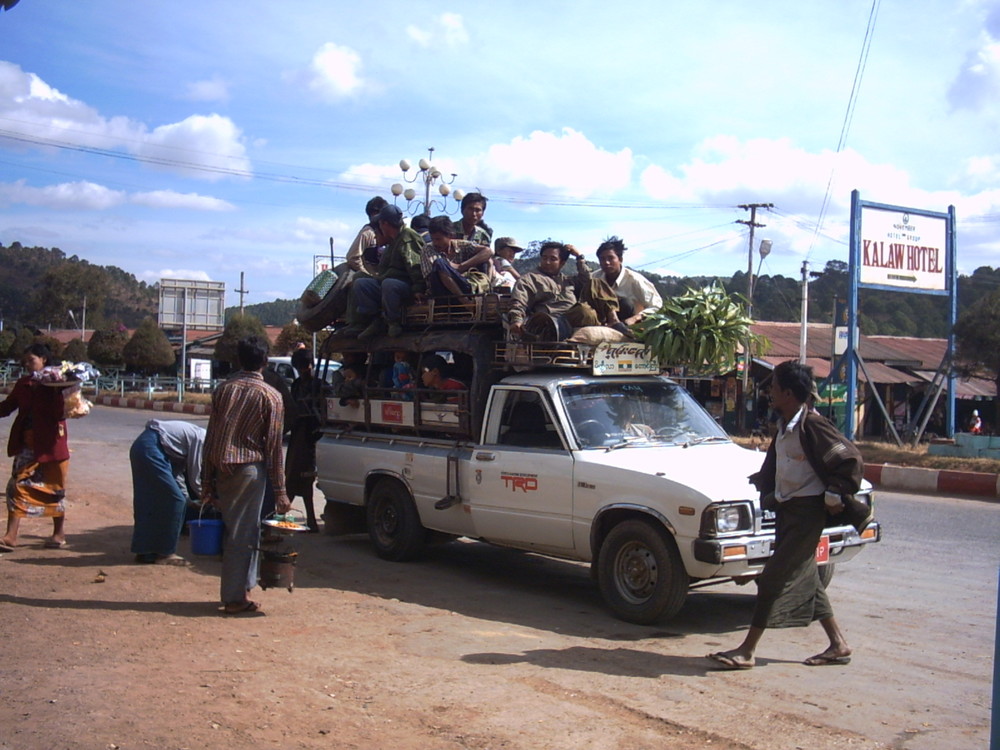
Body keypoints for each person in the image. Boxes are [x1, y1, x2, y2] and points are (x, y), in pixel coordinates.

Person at [707, 360, 865, 670]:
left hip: (807, 514)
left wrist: (835, 492)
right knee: (807, 578)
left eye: (774, 387)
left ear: (789, 394)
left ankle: (747, 650)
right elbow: (781, 465)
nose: (769, 392)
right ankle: (838, 644)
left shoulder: (812, 425)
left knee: (772, 579)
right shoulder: (786, 425)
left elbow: (849, 459)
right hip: (787, 511)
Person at [202, 336, 290, 616]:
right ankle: (234, 598)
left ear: (239, 360)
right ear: (265, 362)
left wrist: (206, 481)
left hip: (222, 468)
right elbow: (274, 448)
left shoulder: (223, 390)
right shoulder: (270, 396)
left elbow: (211, 437)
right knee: (242, 534)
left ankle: (243, 587)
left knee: (239, 530)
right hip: (249, 470)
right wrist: (281, 492)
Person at [0, 344, 71, 552]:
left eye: (31, 360)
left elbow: (64, 410)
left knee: (54, 489)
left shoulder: (57, 383)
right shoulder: (24, 384)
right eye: (26, 361)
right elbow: (9, 405)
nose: (28, 365)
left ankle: (58, 534)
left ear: (44, 360)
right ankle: (11, 536)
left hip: (51, 444)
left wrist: (57, 388)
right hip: (27, 444)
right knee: (17, 486)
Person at [508, 241, 624, 340]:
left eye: (553, 259)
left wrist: (579, 257)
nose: (547, 262)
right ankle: (601, 324)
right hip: (552, 320)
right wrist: (516, 320)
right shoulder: (529, 279)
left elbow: (587, 278)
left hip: (575, 315)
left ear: (562, 263)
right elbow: (519, 302)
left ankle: (613, 320)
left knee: (595, 282)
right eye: (544, 258)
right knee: (585, 311)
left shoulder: (567, 280)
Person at [344, 204, 427, 341]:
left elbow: (416, 266)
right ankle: (374, 320)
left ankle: (392, 322)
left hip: (404, 287)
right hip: (387, 284)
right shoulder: (392, 241)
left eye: (381, 223)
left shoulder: (407, 237)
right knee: (361, 282)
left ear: (385, 223)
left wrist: (418, 288)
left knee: (389, 284)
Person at [129, 419, 206, 565]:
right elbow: (195, 478)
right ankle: (165, 553)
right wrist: (208, 499)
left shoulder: (185, 443)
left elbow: (177, 475)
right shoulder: (202, 440)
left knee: (150, 501)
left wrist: (188, 499)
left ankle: (144, 551)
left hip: (142, 446)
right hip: (152, 448)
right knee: (175, 501)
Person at [285, 348, 332, 533]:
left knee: (303, 478)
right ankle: (308, 520)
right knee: (295, 477)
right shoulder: (297, 385)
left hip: (312, 436)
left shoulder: (320, 385)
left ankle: (291, 518)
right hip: (299, 435)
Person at [421, 215, 494, 306]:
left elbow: (488, 251)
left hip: (464, 287)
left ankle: (479, 296)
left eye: (438, 239)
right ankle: (466, 303)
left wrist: (462, 266)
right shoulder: (428, 249)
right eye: (433, 239)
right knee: (439, 263)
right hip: (441, 293)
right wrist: (449, 268)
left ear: (450, 236)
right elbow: (434, 276)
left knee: (484, 261)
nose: (435, 243)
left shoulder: (461, 245)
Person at [591, 236, 662, 325]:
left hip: (628, 323)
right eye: (602, 259)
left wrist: (636, 318)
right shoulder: (594, 278)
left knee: (625, 303)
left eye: (610, 258)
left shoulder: (635, 280)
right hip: (601, 321)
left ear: (620, 259)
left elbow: (656, 306)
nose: (606, 262)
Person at [345, 196, 389, 276]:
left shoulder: (389, 231)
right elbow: (352, 257)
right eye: (373, 215)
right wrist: (366, 274)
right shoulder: (367, 233)